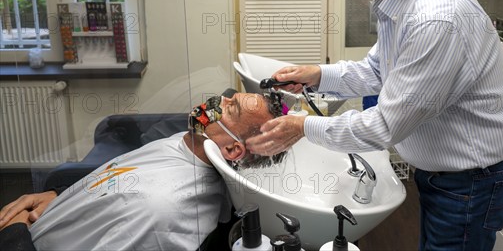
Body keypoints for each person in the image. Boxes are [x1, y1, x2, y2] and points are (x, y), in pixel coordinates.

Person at [246, 0, 503, 250]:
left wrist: (303, 127)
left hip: (473, 179)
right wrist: (317, 75)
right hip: (446, 173)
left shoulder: (435, 17)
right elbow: (378, 71)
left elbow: (386, 124)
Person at [0, 90, 287, 250]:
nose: (218, 100)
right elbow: (120, 179)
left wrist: (14, 235)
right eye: (229, 97)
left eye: (231, 108)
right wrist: (59, 195)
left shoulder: (161, 213)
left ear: (233, 149)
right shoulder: (189, 143)